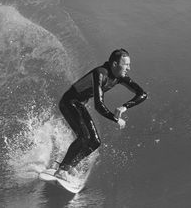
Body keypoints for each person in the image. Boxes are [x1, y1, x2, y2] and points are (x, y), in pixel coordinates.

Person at [54, 48, 147, 180]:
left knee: (95, 142)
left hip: (79, 104)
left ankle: (70, 165)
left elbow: (142, 94)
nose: (129, 68)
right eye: (126, 64)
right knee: (83, 137)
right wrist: (115, 119)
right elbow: (98, 105)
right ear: (115, 64)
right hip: (68, 102)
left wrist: (124, 107)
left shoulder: (119, 77)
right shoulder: (100, 73)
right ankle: (62, 169)